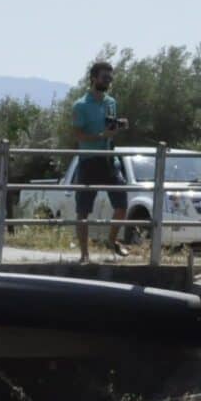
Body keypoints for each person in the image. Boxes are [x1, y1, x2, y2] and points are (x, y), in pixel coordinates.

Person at [66, 58, 129, 263]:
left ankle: (112, 241)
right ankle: (84, 254)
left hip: (110, 160)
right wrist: (100, 136)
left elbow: (110, 130)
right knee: (83, 209)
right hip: (89, 161)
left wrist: (117, 128)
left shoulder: (112, 102)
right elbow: (78, 135)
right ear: (93, 78)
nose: (108, 80)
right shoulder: (80, 105)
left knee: (122, 204)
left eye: (110, 77)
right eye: (104, 77)